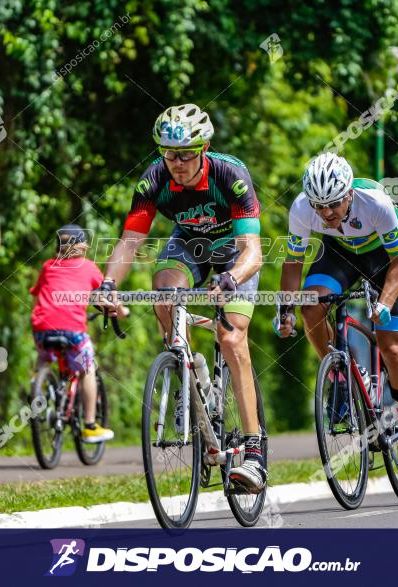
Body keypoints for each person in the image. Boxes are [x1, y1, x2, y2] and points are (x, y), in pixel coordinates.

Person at [99, 104, 266, 492]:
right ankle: (187, 373)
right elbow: (129, 242)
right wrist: (108, 285)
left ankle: (254, 449)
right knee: (163, 293)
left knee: (231, 337)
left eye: (186, 154)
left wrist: (230, 280)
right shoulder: (154, 178)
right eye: (168, 153)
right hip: (188, 245)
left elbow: (253, 252)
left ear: (204, 148)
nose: (176, 162)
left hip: (232, 253)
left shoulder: (230, 175)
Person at [274, 153, 398, 477]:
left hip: (382, 259)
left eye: (333, 205)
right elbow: (293, 263)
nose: (326, 213)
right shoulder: (302, 208)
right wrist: (285, 308)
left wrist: (383, 304)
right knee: (310, 307)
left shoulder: (377, 204)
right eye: (319, 206)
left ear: (349, 195)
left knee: (393, 347)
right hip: (337, 255)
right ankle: (339, 377)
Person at [30, 224, 114, 443]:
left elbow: (37, 293)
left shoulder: (48, 266)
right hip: (73, 333)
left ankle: (38, 389)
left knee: (44, 356)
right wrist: (119, 311)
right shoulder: (88, 267)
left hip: (42, 330)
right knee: (87, 368)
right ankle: (89, 425)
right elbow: (105, 296)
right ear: (82, 247)